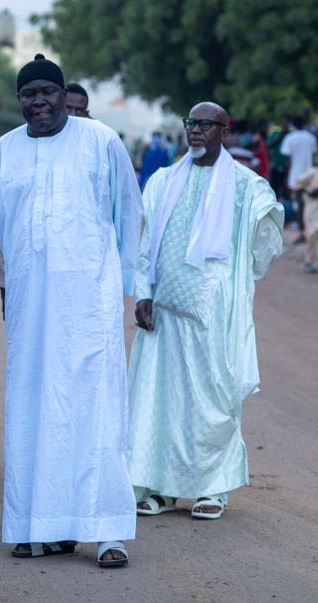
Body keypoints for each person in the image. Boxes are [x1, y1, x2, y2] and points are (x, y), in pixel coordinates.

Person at [0, 54, 142, 568]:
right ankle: (39, 526)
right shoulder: (3, 151)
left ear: (61, 96)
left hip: (88, 307)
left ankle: (108, 532)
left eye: (47, 93)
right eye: (28, 95)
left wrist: (123, 289)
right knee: (33, 411)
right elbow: (9, 235)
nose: (39, 103)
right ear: (19, 100)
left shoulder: (100, 141)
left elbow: (128, 213)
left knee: (95, 411)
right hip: (30, 311)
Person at [128, 103, 283, 521]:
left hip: (213, 314)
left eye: (205, 125)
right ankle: (160, 488)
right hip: (163, 311)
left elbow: (265, 237)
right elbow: (147, 245)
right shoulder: (163, 181)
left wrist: (238, 278)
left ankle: (212, 488)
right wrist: (143, 292)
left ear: (224, 131)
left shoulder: (245, 186)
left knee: (210, 398)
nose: (195, 131)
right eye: (190, 124)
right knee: (159, 399)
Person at [280, 116, 317, 243]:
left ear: (293, 124)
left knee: (300, 204)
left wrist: (286, 177)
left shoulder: (289, 138)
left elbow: (288, 160)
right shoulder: (311, 137)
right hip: (310, 175)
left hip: (295, 175)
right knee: (310, 203)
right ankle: (309, 231)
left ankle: (303, 232)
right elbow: (313, 156)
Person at [291, 166, 318, 273]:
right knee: (312, 233)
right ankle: (309, 262)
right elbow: (297, 185)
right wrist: (308, 192)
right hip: (313, 209)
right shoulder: (313, 172)